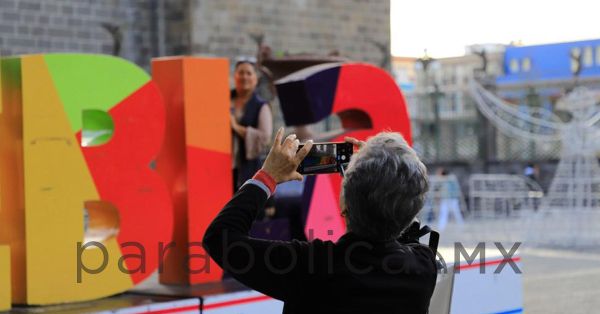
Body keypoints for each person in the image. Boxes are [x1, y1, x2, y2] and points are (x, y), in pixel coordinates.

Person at [203, 129, 437, 314]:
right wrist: (385, 174)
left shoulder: (310, 266)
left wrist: (267, 177)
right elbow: (407, 224)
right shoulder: (423, 268)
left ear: (344, 207)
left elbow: (220, 238)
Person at [230, 59, 273, 190]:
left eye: (249, 73)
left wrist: (236, 127)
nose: (244, 77)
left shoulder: (261, 106)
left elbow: (264, 137)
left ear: (255, 79)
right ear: (234, 76)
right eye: (241, 73)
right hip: (221, 166)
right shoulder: (224, 99)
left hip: (249, 169)